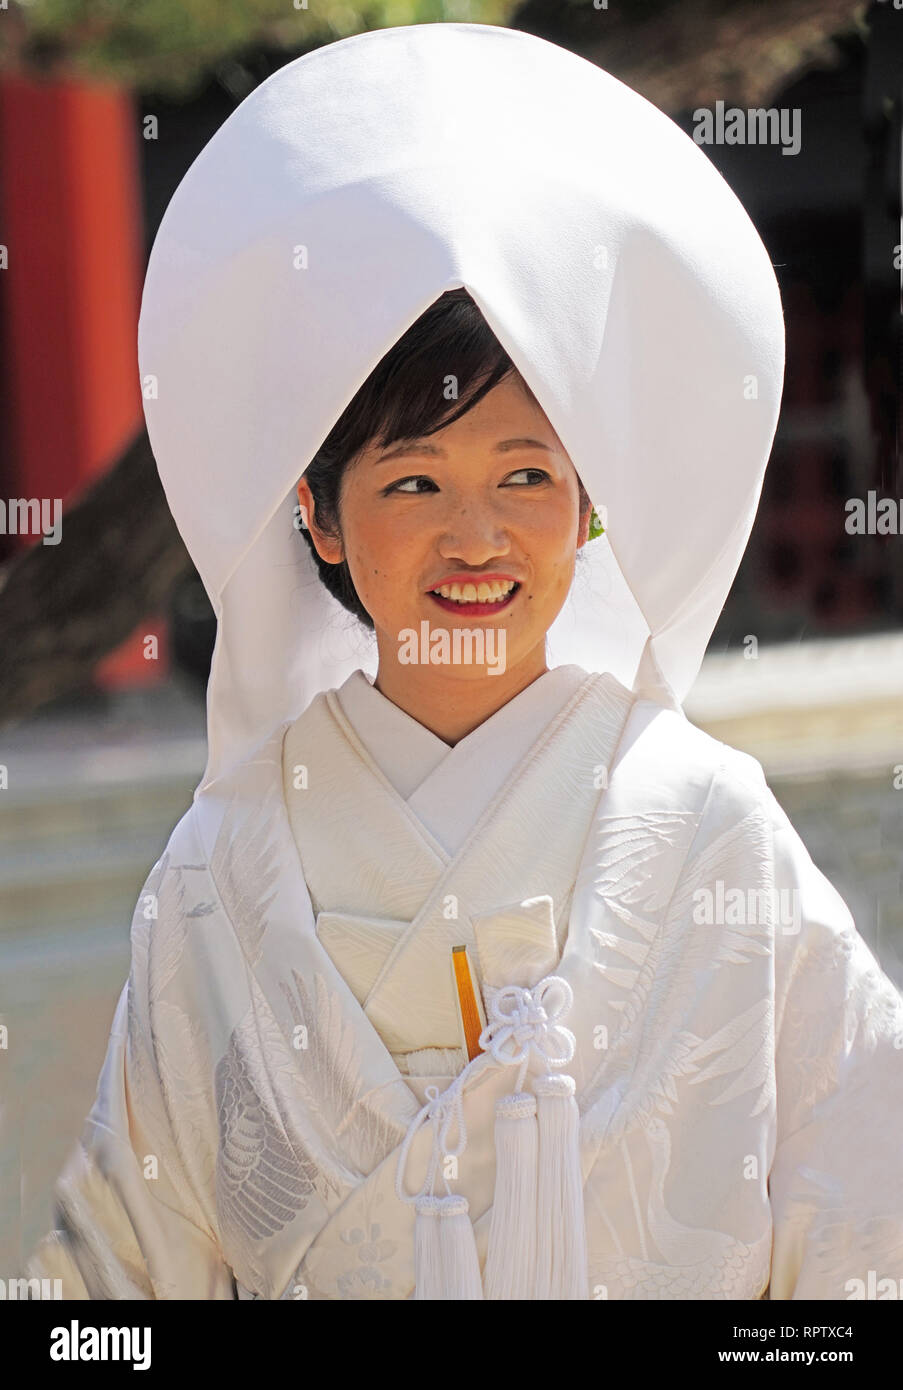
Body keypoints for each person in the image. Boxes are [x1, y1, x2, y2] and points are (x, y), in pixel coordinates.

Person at [26, 22, 903, 1300]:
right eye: (416, 478)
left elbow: (865, 1232)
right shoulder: (224, 869)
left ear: (592, 505)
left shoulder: (712, 831)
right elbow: (116, 1286)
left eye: (529, 475)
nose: (476, 533)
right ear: (320, 514)